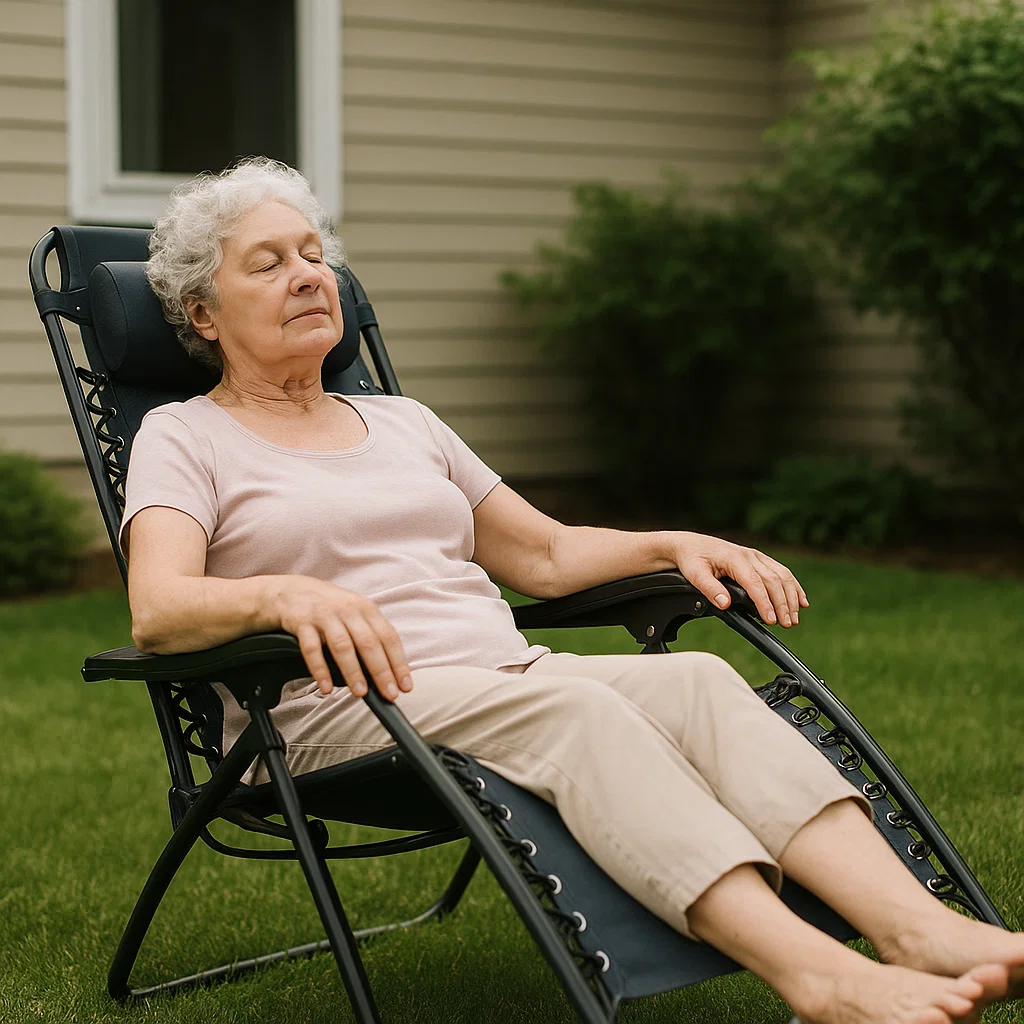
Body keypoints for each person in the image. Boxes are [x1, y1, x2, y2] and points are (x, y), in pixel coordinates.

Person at [123, 157, 1022, 1024]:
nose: (308, 276)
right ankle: (818, 976)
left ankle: (925, 931)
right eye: (269, 264)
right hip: (340, 706)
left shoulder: (404, 422)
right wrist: (285, 597)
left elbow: (544, 555)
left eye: (315, 256)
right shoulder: (187, 436)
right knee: (577, 716)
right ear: (203, 312)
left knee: (699, 681)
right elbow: (159, 608)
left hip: (497, 677)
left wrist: (675, 541)